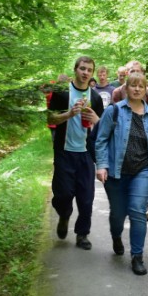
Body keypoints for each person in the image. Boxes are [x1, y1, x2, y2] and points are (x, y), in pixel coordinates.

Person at [95, 72, 148, 276]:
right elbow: (101, 140)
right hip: (116, 172)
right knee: (118, 214)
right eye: (133, 85)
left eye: (141, 86)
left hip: (141, 171)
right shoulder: (114, 111)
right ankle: (116, 236)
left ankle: (137, 256)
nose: (136, 89)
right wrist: (101, 165)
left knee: (137, 211)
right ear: (126, 88)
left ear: (145, 90)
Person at [46, 56, 105, 248]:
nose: (85, 72)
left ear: (92, 73)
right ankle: (64, 215)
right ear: (75, 70)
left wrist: (96, 119)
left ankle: (82, 235)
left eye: (89, 70)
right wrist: (69, 114)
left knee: (86, 197)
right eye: (82, 68)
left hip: (85, 153)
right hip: (64, 151)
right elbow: (51, 117)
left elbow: (103, 130)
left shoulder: (94, 97)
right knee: (63, 194)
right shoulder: (63, 93)